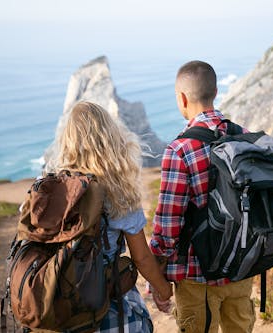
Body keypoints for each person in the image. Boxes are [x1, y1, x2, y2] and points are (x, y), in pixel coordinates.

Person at [48, 101, 173, 332]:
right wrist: (163, 290)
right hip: (107, 303)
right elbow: (142, 258)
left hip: (58, 302)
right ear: (109, 139)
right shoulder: (118, 193)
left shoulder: (49, 188)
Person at [149, 61, 256, 332]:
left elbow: (168, 227)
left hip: (198, 277)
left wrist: (157, 276)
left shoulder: (180, 150)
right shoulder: (245, 138)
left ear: (182, 99)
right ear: (216, 92)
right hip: (241, 268)